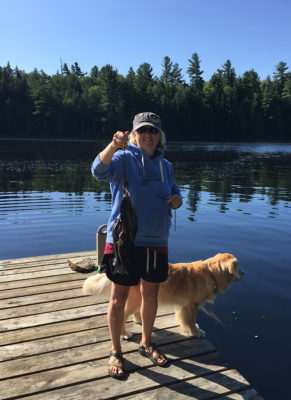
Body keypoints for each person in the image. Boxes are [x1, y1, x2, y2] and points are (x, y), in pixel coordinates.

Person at [91, 112, 182, 379]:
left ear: (159, 135)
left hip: (157, 241)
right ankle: (116, 350)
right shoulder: (122, 158)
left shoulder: (167, 167)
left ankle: (146, 343)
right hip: (124, 241)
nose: (147, 135)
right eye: (141, 131)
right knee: (118, 297)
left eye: (152, 131)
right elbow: (97, 171)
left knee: (151, 295)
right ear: (133, 135)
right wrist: (113, 146)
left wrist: (177, 200)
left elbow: (176, 193)